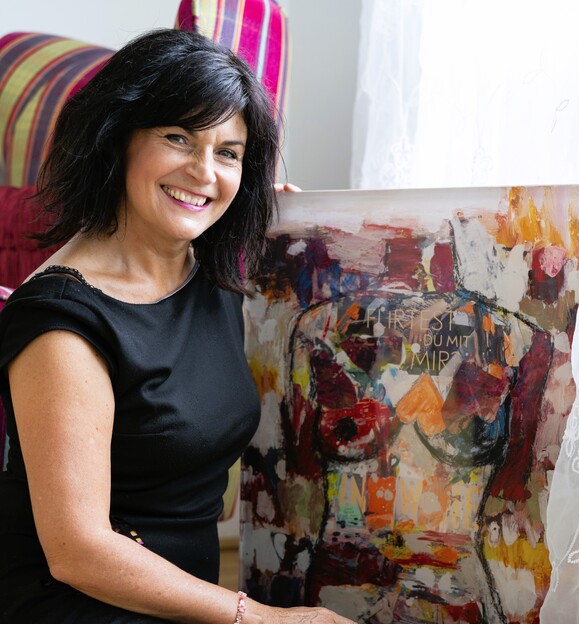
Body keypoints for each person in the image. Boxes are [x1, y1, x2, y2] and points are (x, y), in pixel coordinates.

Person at [0, 28, 355, 624]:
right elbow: (78, 552)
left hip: (187, 600)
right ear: (117, 138)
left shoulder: (209, 268)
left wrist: (296, 222)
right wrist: (262, 619)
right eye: (178, 138)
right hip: (79, 602)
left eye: (228, 152)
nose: (203, 171)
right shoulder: (60, 320)